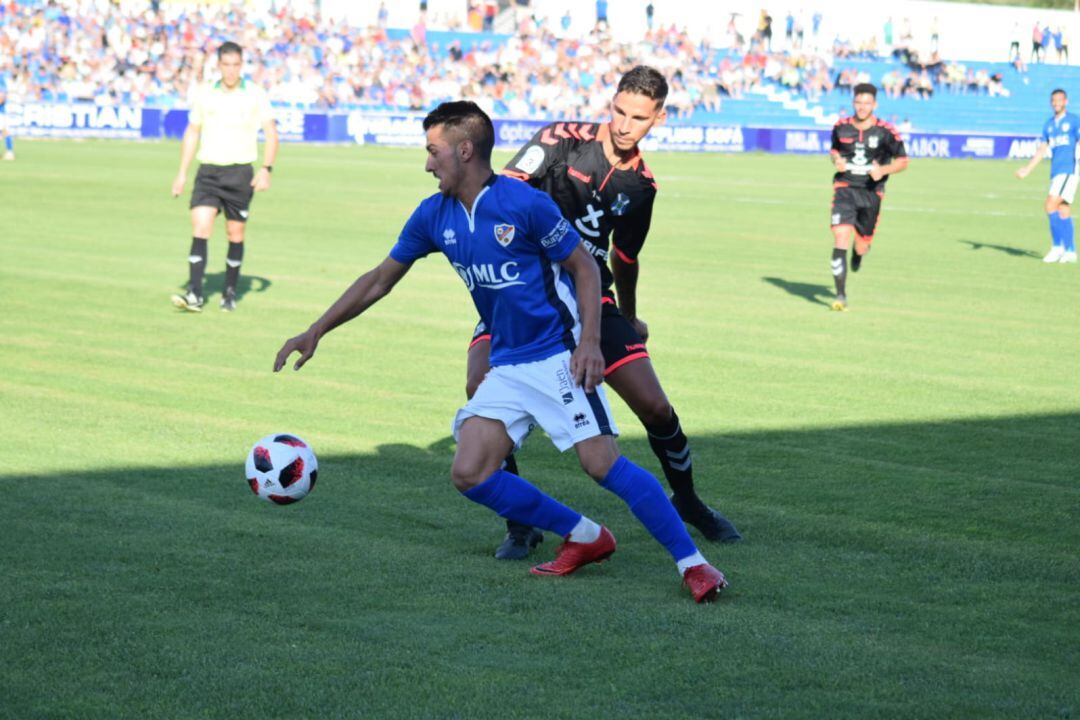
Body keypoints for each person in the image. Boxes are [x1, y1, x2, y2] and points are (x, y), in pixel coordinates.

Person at [273, 101, 729, 603]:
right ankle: (585, 536)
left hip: (557, 353)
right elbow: (381, 279)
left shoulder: (523, 204)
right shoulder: (434, 213)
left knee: (602, 465)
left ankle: (695, 565)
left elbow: (584, 267)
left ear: (464, 150)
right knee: (469, 471)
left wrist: (590, 344)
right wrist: (317, 329)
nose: (427, 164)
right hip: (508, 363)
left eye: (433, 151)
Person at [473, 66, 742, 560]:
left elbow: (625, 258)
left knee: (656, 407)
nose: (624, 125)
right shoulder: (559, 140)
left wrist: (633, 317)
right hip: (524, 293)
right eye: (619, 111)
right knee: (477, 385)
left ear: (657, 118)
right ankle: (520, 524)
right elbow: (502, 189)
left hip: (593, 297)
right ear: (611, 101)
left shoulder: (642, 187)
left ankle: (687, 501)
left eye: (638, 118)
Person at [170, 41, 278, 313]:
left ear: (241, 65)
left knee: (235, 233)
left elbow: (271, 132)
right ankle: (194, 293)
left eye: (236, 65)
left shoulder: (255, 94)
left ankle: (229, 292)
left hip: (240, 173)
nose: (231, 70)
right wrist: (181, 174)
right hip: (208, 172)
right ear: (218, 66)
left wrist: (266, 168)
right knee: (200, 228)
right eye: (226, 65)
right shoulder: (206, 94)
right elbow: (192, 132)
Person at [828, 83, 909, 311]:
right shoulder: (840, 127)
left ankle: (859, 252)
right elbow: (834, 150)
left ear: (874, 105)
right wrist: (836, 160)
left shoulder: (886, 132)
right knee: (840, 236)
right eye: (858, 103)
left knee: (862, 244)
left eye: (867, 103)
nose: (862, 108)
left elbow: (903, 162)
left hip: (871, 193)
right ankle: (840, 295)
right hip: (844, 188)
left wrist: (882, 171)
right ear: (853, 103)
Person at [1015, 89, 1080, 264]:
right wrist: (1028, 169)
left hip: (1070, 169)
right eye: (1054, 100)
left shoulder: (1074, 120)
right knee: (1063, 208)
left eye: (1059, 99)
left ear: (1066, 101)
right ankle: (1071, 252)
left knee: (1050, 204)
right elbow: (1042, 149)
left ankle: (1057, 247)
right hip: (1056, 171)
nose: (1056, 102)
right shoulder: (1049, 125)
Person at [0, 74, 13, 161]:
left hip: (0, 112)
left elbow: (2, 97)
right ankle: (9, 152)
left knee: (5, 131)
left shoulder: (1, 79)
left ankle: (9, 152)